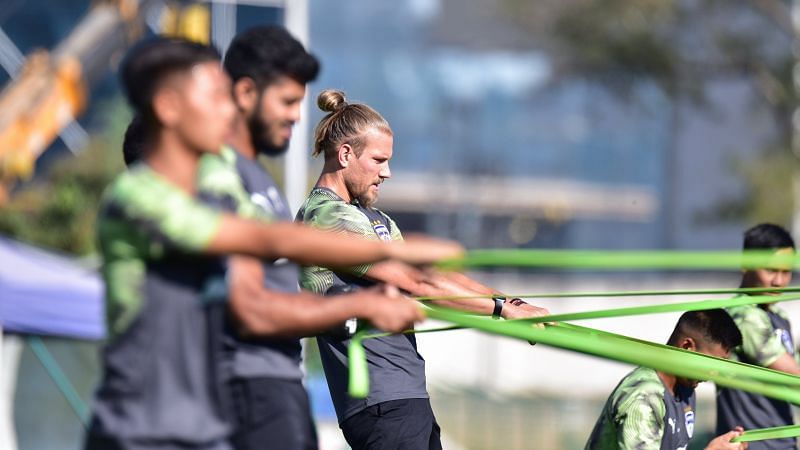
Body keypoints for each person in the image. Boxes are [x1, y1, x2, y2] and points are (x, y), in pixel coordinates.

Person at [84, 37, 460, 450]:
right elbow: (260, 276)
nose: (229, 109)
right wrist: (382, 270)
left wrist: (373, 285)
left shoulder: (217, 190)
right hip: (143, 426)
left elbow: (269, 267)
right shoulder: (145, 198)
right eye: (214, 97)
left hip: (202, 422)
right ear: (169, 108)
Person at [297, 89, 550, 449]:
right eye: (379, 160)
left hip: (404, 396)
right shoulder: (328, 217)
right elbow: (414, 283)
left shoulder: (371, 217)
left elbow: (432, 274)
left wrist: (512, 303)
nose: (387, 173)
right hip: (380, 402)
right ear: (345, 154)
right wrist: (499, 309)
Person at [585, 310, 747, 450]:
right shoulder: (645, 399)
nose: (714, 374)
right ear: (687, 346)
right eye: (712, 364)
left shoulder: (685, 390)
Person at [716, 223, 800, 450]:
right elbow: (793, 375)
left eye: (786, 271)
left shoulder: (778, 316)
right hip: (753, 445)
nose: (779, 281)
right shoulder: (743, 316)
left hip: (782, 443)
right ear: (746, 266)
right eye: (771, 270)